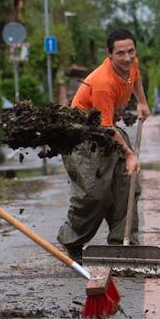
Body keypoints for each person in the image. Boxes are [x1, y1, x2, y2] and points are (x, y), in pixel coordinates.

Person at [57, 28, 150, 261]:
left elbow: (135, 78)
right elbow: (106, 128)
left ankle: (124, 245)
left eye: (130, 51)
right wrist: (129, 154)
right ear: (109, 54)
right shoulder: (102, 83)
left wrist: (142, 102)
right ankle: (72, 241)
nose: (127, 58)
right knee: (95, 194)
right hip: (81, 138)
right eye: (120, 53)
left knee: (127, 185)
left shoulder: (131, 64)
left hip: (107, 132)